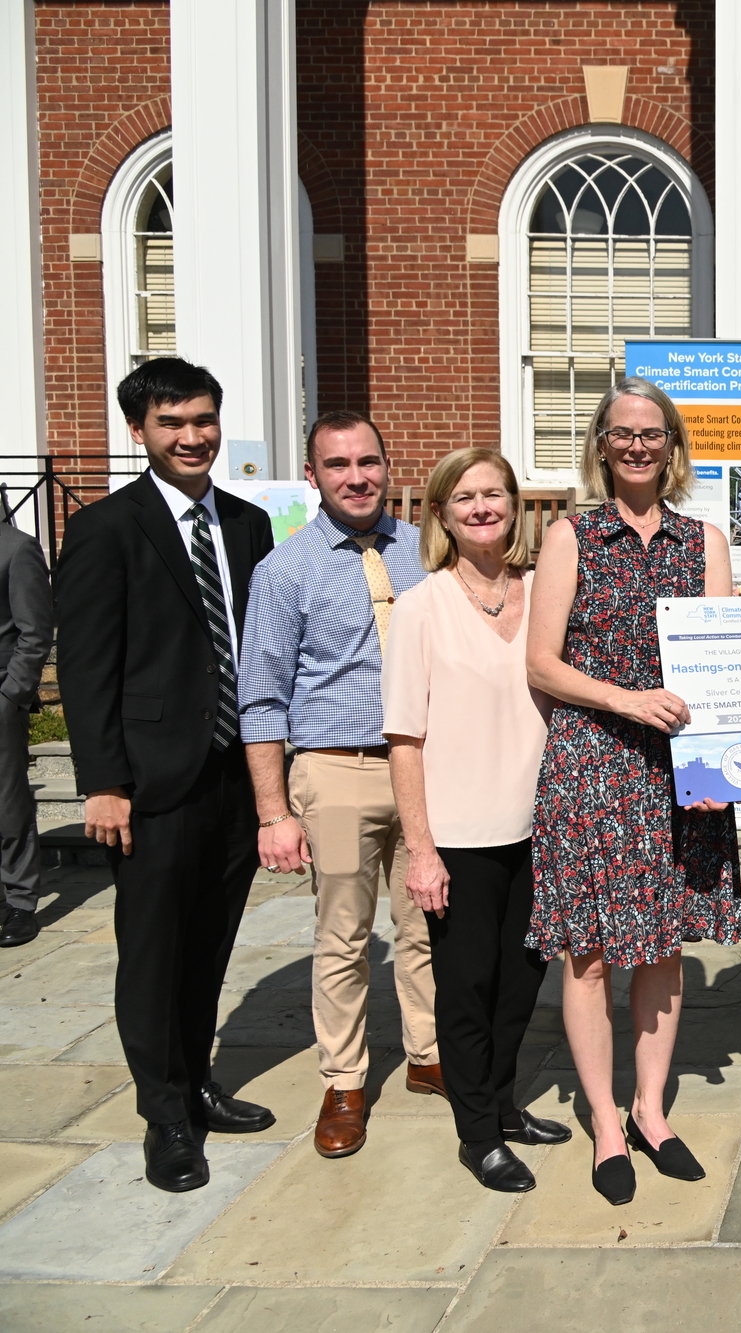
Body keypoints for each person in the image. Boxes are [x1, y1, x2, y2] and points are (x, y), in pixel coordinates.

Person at [55, 358, 276, 1192]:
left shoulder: (249, 525)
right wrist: (103, 780)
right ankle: (165, 1114)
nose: (192, 437)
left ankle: (199, 1077)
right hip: (148, 784)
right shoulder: (107, 527)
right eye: (172, 423)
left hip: (232, 775)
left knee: (211, 944)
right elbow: (85, 665)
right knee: (152, 951)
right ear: (139, 431)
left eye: (203, 419)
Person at [525, 378, 741, 1207]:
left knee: (661, 943)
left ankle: (651, 1110)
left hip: (677, 767)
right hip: (592, 763)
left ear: (673, 444)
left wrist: (723, 762)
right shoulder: (571, 535)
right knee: (588, 951)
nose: (639, 446)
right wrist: (626, 699)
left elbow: (723, 663)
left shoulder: (704, 539)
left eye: (653, 433)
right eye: (623, 434)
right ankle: (605, 1121)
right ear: (602, 444)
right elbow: (541, 662)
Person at [238, 411, 440, 1161]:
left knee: (427, 924)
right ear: (313, 475)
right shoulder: (283, 570)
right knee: (344, 935)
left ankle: (427, 1055)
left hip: (425, 763)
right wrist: (273, 810)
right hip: (336, 765)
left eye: (368, 462)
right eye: (337, 465)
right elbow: (260, 696)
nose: (356, 477)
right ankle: (346, 1079)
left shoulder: (428, 553)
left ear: (389, 465)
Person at [384, 448, 570, 1193]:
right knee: (468, 988)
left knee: (522, 986)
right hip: (458, 837)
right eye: (465, 497)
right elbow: (404, 737)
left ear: (517, 506)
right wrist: (420, 850)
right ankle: (478, 1135)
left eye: (495, 493)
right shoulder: (420, 606)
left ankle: (501, 1105)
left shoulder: (544, 591)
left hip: (540, 827)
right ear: (441, 513)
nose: (483, 506)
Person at [0, 521, 52, 947]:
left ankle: (20, 900)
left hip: (0, 696)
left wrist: (12, 695)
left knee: (7, 801)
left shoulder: (16, 548)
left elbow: (34, 630)